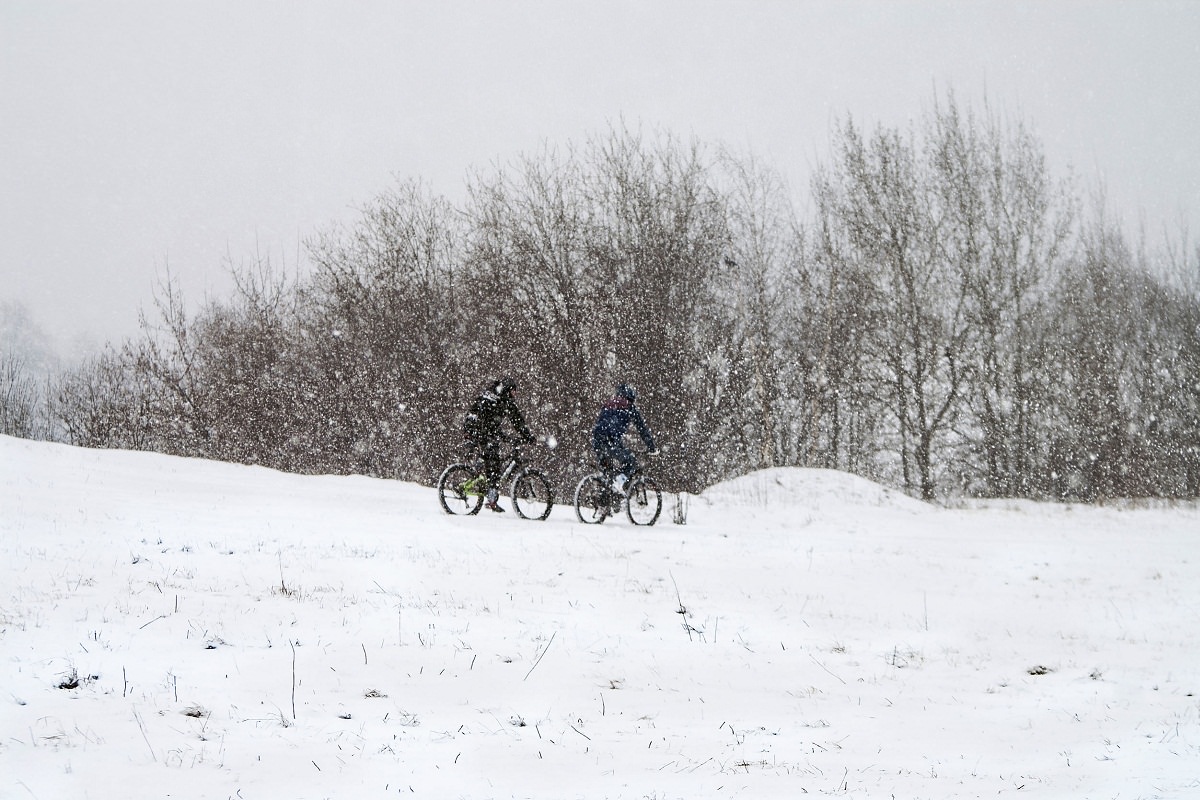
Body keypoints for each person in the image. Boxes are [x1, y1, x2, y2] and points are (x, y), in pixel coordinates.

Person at [463, 376, 535, 512]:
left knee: (492, 459)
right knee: (494, 461)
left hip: (482, 430)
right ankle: (491, 498)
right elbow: (486, 420)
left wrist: (525, 436)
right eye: (513, 391)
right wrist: (524, 437)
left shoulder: (499, 398)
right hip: (479, 430)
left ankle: (486, 485)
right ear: (507, 389)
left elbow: (517, 420)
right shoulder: (494, 400)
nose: (515, 394)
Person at [591, 383, 659, 495]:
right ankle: (619, 483)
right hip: (611, 441)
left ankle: (605, 502)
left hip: (597, 441)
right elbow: (642, 430)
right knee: (631, 462)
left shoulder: (608, 404)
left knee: (607, 472)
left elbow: (602, 424)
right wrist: (652, 447)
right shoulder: (629, 407)